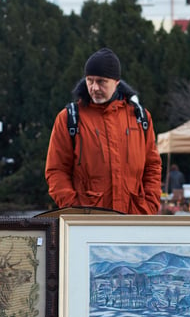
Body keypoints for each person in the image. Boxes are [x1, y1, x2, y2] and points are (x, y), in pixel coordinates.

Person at [45, 48, 162, 214]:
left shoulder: (140, 117)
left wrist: (149, 206)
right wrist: (74, 209)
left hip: (133, 220)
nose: (94, 87)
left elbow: (152, 166)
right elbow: (56, 170)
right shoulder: (69, 118)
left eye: (101, 81)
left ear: (116, 82)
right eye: (90, 80)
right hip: (88, 224)